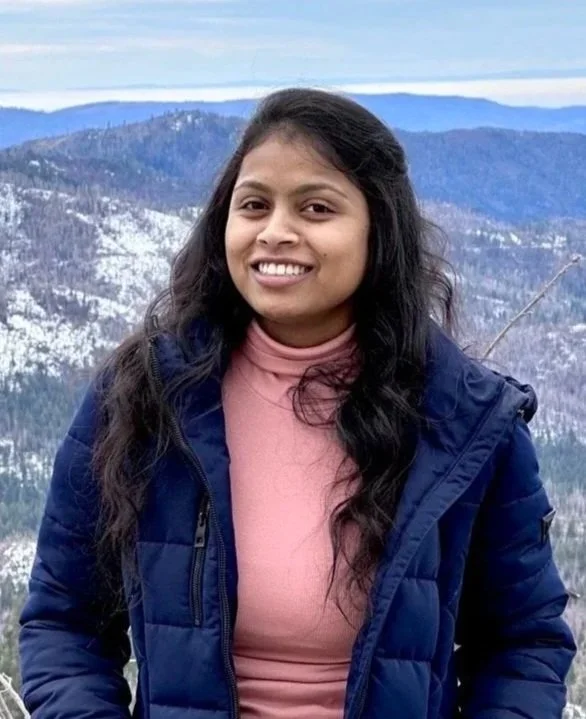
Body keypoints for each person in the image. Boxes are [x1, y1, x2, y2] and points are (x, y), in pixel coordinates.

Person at [19, 88, 575, 719]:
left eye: (316, 208)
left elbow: (522, 644)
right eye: (253, 205)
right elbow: (65, 625)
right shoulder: (144, 397)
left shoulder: (466, 419)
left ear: (377, 230)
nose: (275, 233)